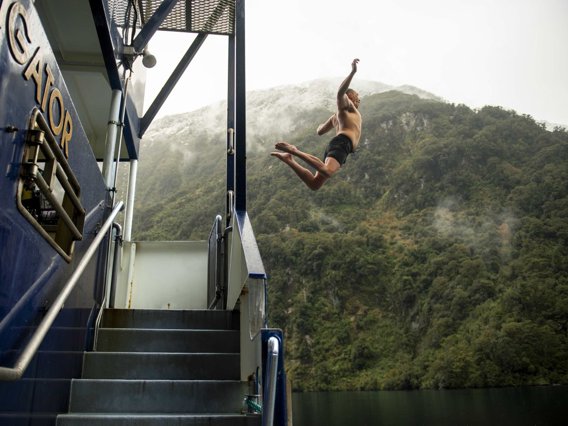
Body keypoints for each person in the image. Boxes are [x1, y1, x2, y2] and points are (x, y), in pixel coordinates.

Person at [271, 58, 362, 190]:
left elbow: (319, 131)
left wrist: (323, 123)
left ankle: (289, 159)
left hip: (339, 145)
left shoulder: (336, 117)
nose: (359, 98)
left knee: (314, 184)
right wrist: (353, 72)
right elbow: (340, 92)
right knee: (327, 171)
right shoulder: (349, 107)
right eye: (356, 95)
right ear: (349, 97)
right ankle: (293, 151)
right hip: (342, 143)